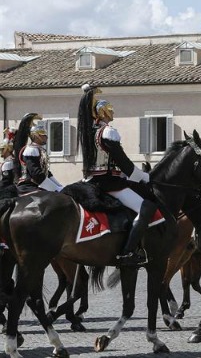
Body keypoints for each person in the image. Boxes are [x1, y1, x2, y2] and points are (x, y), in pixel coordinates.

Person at [77, 84, 156, 266]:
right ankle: (127, 252)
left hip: (91, 180)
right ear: (102, 112)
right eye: (110, 109)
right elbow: (122, 162)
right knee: (146, 208)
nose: (112, 112)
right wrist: (142, 176)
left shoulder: (90, 132)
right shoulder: (108, 132)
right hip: (109, 182)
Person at [13, 113, 64, 194]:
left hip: (38, 184)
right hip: (27, 185)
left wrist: (60, 187)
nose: (46, 137)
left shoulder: (39, 149)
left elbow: (46, 173)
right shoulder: (30, 150)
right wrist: (55, 188)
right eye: (43, 135)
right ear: (36, 136)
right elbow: (36, 174)